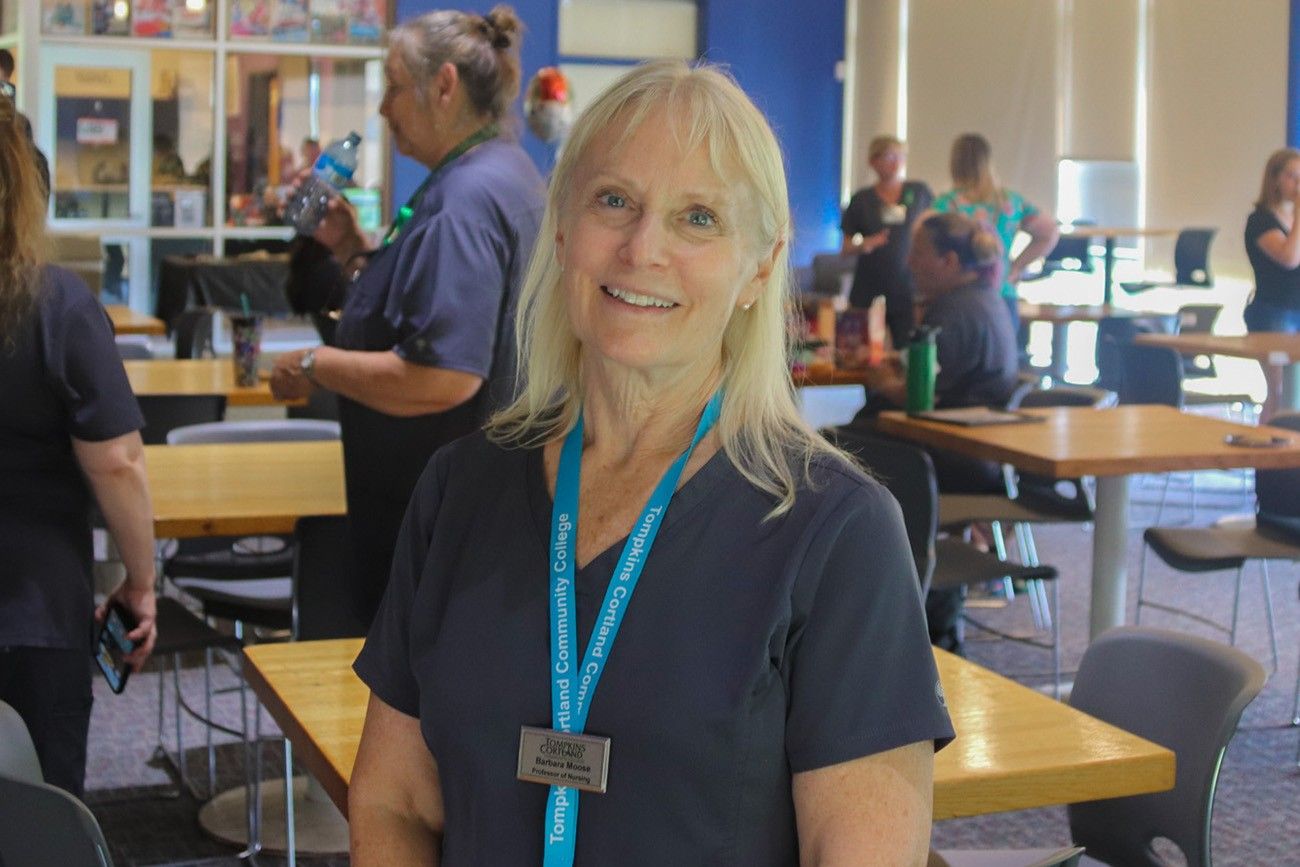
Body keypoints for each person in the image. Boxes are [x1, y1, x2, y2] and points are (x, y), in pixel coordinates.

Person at [348, 60, 952, 866]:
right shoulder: (462, 486)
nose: (643, 248)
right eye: (614, 201)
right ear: (562, 230)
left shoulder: (837, 532)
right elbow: (395, 803)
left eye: (698, 217)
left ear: (761, 267)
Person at [270, 5, 546, 626]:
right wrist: (355, 248)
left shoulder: (463, 204)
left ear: (444, 86)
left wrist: (317, 363)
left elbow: (443, 377)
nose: (383, 109)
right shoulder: (503, 172)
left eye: (394, 87)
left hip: (443, 524)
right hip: (490, 512)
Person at [0, 97, 157, 797]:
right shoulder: (55, 303)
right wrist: (141, 584)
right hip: (33, 609)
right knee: (40, 811)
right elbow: (117, 463)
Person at [850, 212, 1020, 654]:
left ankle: (873, 614)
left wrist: (880, 380)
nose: (908, 263)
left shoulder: (955, 311)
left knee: (826, 452)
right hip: (975, 455)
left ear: (947, 260)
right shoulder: (986, 300)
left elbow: (913, 395)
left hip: (949, 461)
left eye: (918, 253)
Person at [932, 133, 1058, 333]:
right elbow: (1049, 232)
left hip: (959, 300)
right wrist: (1015, 266)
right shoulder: (1010, 202)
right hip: (1002, 295)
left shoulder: (946, 204)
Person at [840, 135, 932, 347]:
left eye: (900, 156)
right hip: (869, 288)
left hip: (907, 288)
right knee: (863, 350)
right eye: (890, 156)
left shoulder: (918, 192)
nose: (896, 162)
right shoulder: (862, 200)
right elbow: (845, 249)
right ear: (873, 161)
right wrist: (866, 244)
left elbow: (935, 227)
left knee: (908, 350)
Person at [1244, 147, 1300, 422]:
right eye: (1292, 176)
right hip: (1273, 313)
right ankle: (1266, 462)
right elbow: (1289, 258)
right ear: (1275, 179)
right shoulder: (1260, 222)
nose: (1298, 183)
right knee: (1278, 392)